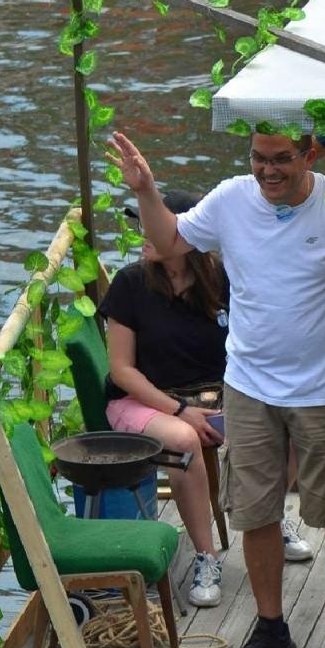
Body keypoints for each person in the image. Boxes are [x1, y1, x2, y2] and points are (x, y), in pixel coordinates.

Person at [107, 130, 325, 648]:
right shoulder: (230, 198)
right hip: (248, 386)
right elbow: (171, 240)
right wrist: (148, 190)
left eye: (281, 161)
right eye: (258, 159)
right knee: (256, 511)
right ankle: (272, 628)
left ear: (309, 156)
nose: (268, 171)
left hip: (323, 391)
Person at [99, 188, 228, 608]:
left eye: (153, 223)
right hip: (141, 401)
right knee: (184, 440)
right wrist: (180, 411)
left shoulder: (219, 280)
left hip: (209, 396)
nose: (143, 232)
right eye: (141, 223)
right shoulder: (130, 284)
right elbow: (122, 370)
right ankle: (206, 557)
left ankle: (276, 521)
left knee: (275, 415)